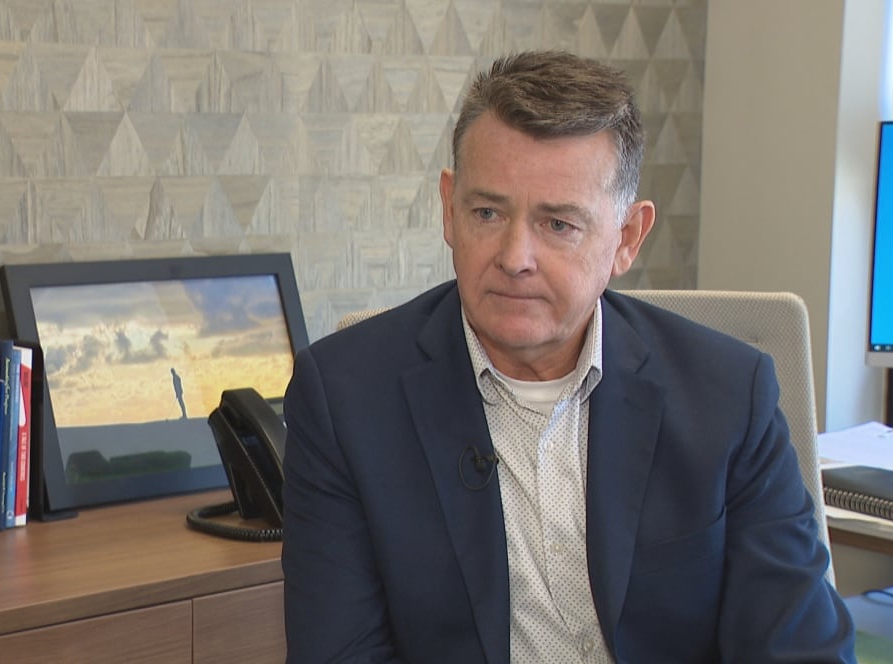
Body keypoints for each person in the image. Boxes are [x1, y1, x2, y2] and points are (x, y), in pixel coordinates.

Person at [280, 50, 855, 663]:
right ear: (449, 208)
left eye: (558, 224)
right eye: (487, 212)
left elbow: (802, 650)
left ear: (627, 237)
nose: (514, 255)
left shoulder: (729, 395)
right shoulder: (344, 398)